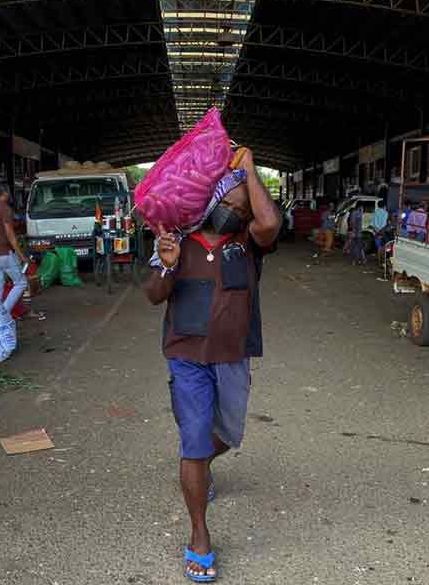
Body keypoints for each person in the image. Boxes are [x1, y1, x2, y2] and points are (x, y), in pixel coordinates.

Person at [144, 149, 281, 583]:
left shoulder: (247, 246)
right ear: (211, 200)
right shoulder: (177, 241)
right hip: (187, 358)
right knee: (196, 440)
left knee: (226, 435)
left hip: (232, 358)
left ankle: (201, 463)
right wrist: (166, 268)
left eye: (241, 209)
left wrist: (249, 171)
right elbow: (153, 295)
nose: (234, 213)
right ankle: (199, 535)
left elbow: (270, 222)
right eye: (229, 204)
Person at [0, 183, 28, 314]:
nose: (9, 195)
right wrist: (21, 255)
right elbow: (10, 234)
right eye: (8, 192)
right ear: (4, 193)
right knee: (21, 283)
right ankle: (4, 313)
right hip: (3, 253)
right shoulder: (5, 209)